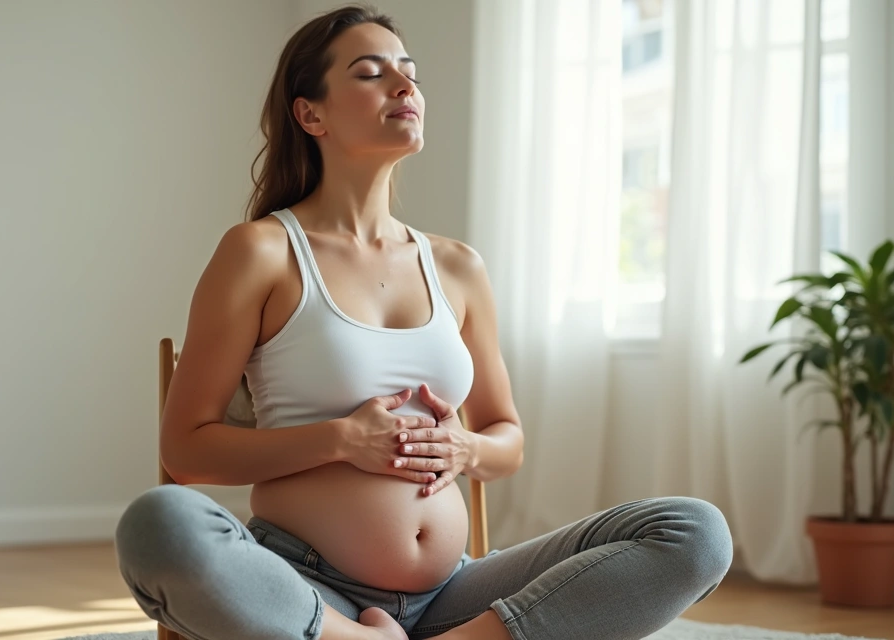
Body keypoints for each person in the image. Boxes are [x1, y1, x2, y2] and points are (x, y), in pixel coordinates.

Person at [115, 4, 733, 639]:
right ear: (311, 113)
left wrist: (467, 448)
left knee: (696, 533)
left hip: (455, 593)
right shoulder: (262, 252)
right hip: (308, 586)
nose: (405, 86)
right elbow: (185, 450)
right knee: (160, 524)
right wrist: (343, 439)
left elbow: (506, 437)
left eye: (409, 72)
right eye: (370, 73)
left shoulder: (457, 267)